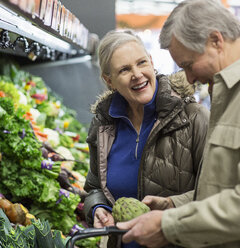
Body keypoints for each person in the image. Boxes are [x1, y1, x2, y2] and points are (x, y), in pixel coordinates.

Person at [116, 0, 240, 247]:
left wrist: (170, 225)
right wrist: (175, 205)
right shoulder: (233, 92)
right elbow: (227, 187)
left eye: (188, 64)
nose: (189, 77)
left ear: (216, 41)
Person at [83, 30, 209, 248]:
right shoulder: (103, 125)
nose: (137, 74)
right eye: (124, 69)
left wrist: (171, 205)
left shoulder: (193, 118)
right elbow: (94, 187)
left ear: (151, 62)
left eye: (141, 63)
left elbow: (217, 194)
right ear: (108, 80)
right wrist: (97, 208)